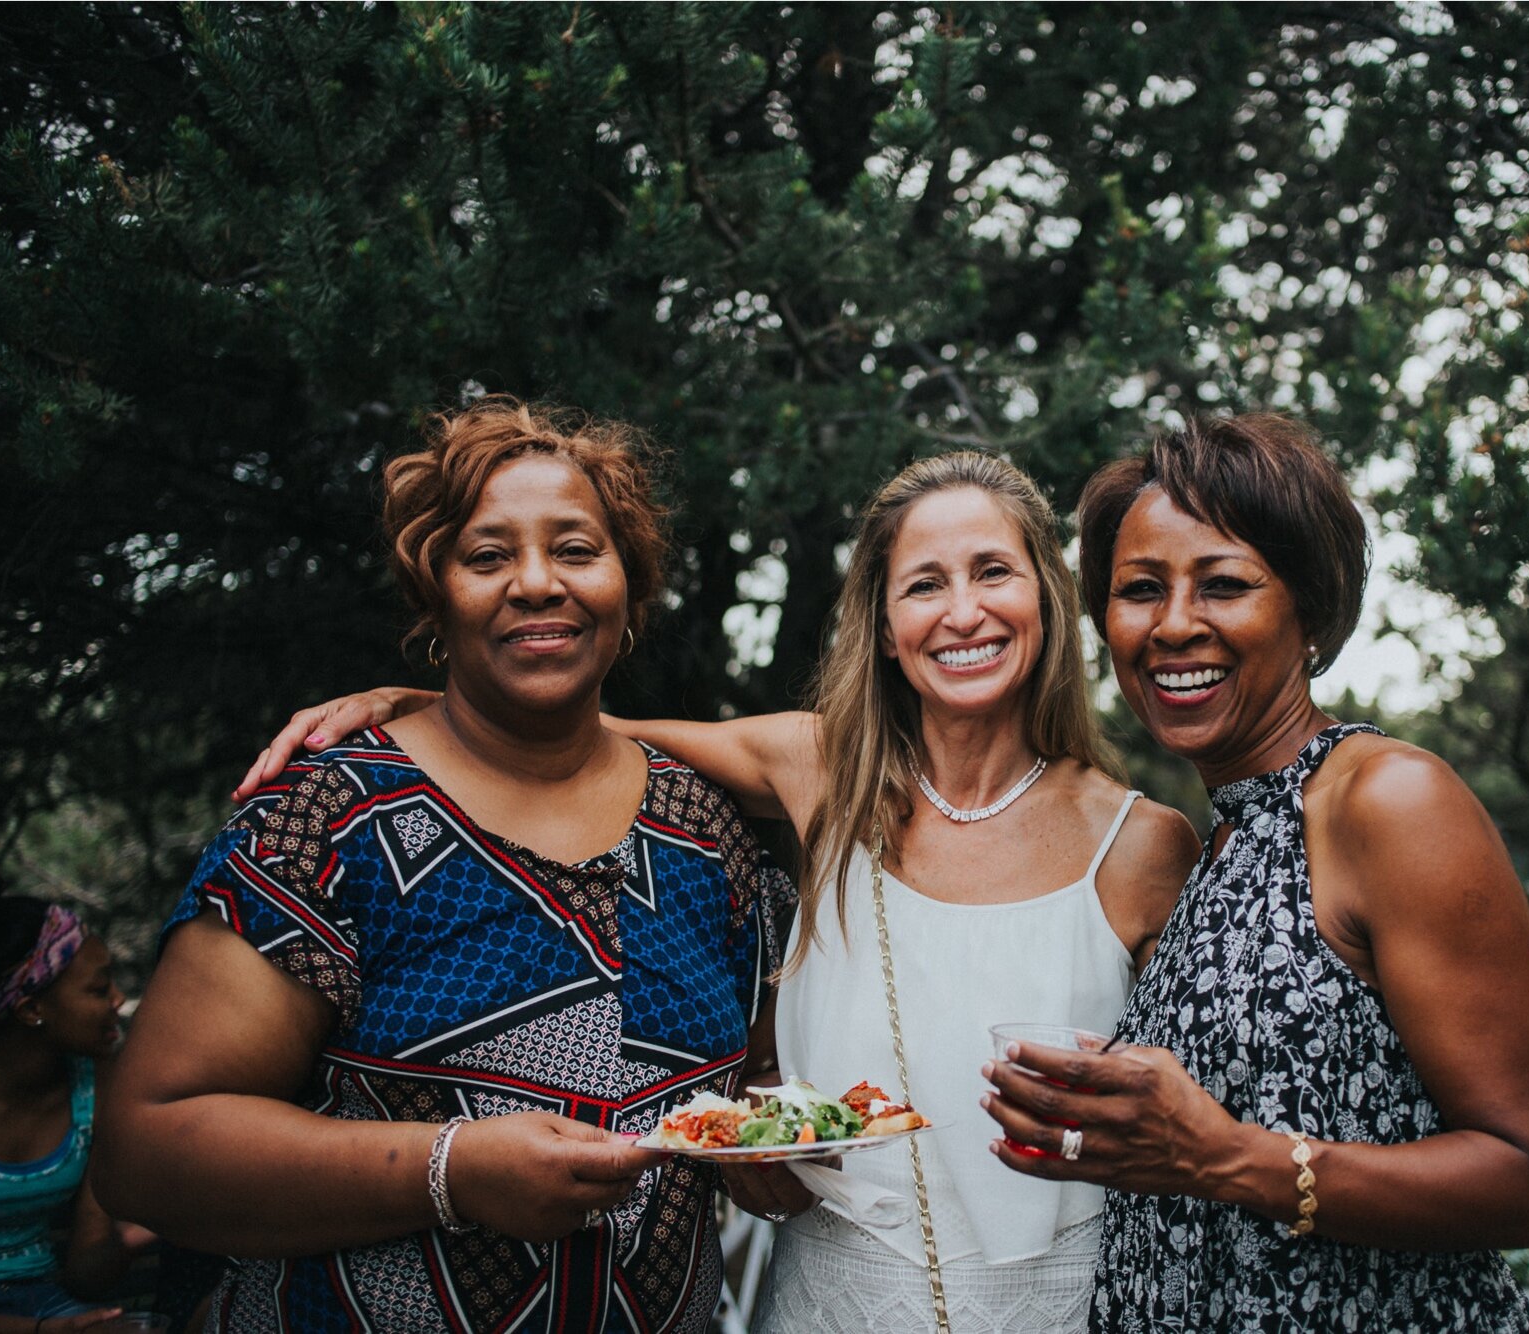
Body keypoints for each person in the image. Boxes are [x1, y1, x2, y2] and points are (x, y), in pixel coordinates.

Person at [230, 452, 1197, 1333]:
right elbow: (582, 727)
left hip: (1071, 1306)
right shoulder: (821, 772)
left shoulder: (1144, 843)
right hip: (833, 1307)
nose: (963, 611)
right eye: (924, 585)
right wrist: (418, 709)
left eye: (993, 572)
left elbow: (1191, 1133)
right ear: (888, 630)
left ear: (1046, 599)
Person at [94, 398, 794, 1332]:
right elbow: (144, 1150)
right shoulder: (332, 816)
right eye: (489, 556)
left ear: (628, 584)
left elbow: (751, 1103)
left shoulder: (704, 830)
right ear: (437, 595)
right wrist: (449, 1171)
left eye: (577, 550)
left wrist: (783, 1155)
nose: (538, 583)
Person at [981, 413, 1529, 1332]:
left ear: (1307, 605)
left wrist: (1220, 1156)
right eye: (1140, 589)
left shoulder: (1387, 801)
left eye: (1224, 584)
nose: (1175, 624)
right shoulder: (1215, 843)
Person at [0, 888, 146, 1332]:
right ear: (32, 1008)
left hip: (46, 1304)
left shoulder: (95, 1086)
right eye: (98, 987)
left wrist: (143, 1232)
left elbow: (87, 1272)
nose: (117, 998)